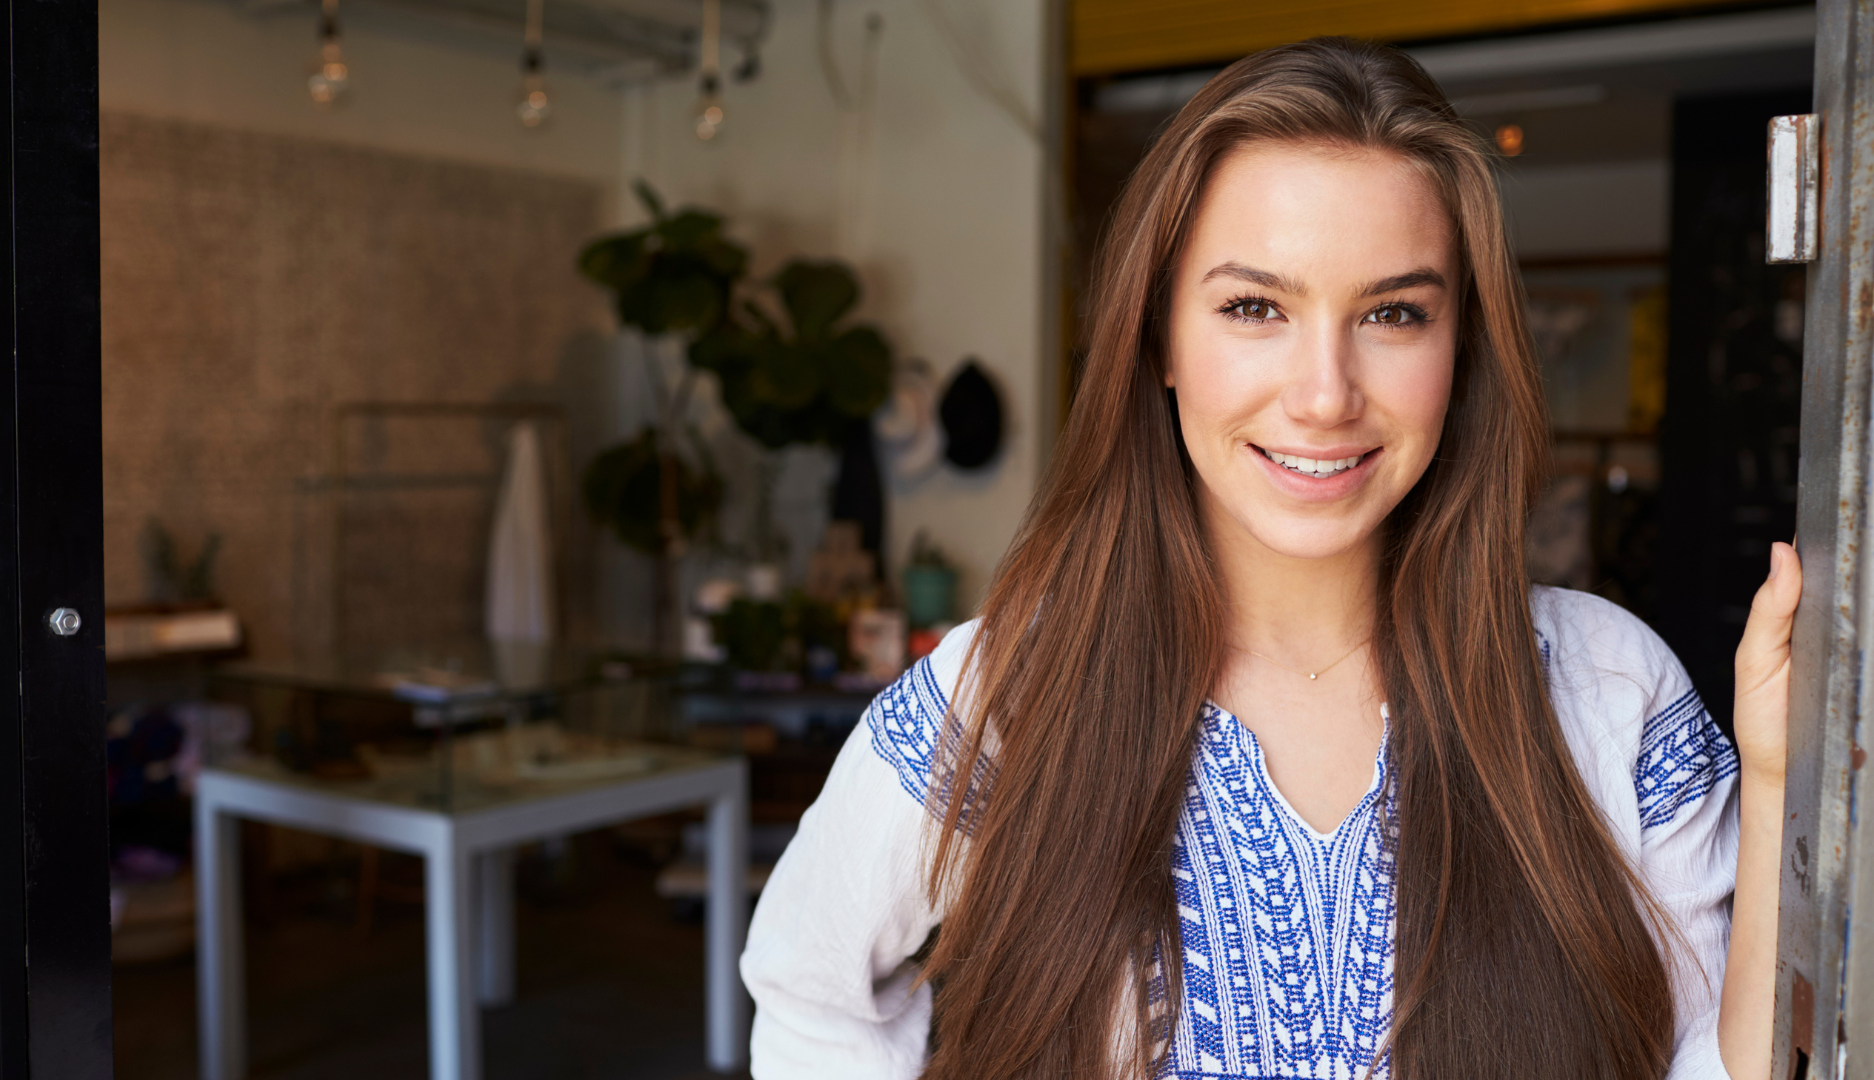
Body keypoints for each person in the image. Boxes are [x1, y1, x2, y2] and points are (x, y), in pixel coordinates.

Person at [741, 37, 1797, 1080]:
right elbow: (808, 989)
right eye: (1255, 308)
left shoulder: (1609, 689)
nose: (1326, 394)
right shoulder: (1012, 692)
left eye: (1393, 313)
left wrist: (1782, 777)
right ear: (1157, 334)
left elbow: (1710, 1059)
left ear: (1462, 346)